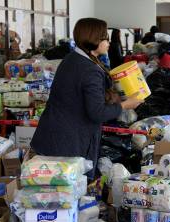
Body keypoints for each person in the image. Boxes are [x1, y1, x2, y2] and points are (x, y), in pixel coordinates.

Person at [30, 18, 143, 179]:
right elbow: (96, 112)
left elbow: (81, 95)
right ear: (94, 39)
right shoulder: (89, 69)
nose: (108, 42)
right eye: (105, 38)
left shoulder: (73, 59)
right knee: (66, 196)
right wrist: (125, 105)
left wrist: (116, 96)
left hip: (56, 137)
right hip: (66, 144)